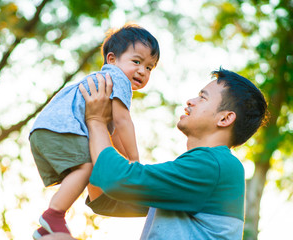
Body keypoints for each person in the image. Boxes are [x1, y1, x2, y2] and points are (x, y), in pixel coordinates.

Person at [78, 68, 268, 239]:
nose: (191, 101)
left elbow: (117, 180)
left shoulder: (213, 165)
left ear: (225, 118)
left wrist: (95, 119)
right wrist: (91, 132)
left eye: (203, 97)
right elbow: (106, 199)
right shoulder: (203, 170)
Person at [29, 23, 160, 239]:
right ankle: (54, 214)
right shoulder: (117, 79)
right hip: (61, 129)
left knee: (82, 170)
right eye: (136, 61)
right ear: (112, 60)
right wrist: (136, 162)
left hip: (46, 130)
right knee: (87, 169)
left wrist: (124, 160)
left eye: (149, 67)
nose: (142, 71)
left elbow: (115, 133)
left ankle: (47, 228)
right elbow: (123, 121)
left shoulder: (106, 82)